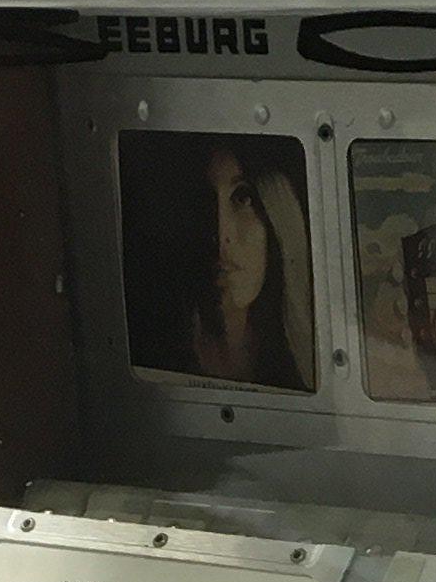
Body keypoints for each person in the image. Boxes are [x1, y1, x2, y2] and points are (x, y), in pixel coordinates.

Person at [123, 133, 316, 390]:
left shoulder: (305, 364)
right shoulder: (152, 353)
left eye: (243, 198)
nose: (221, 233)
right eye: (203, 199)